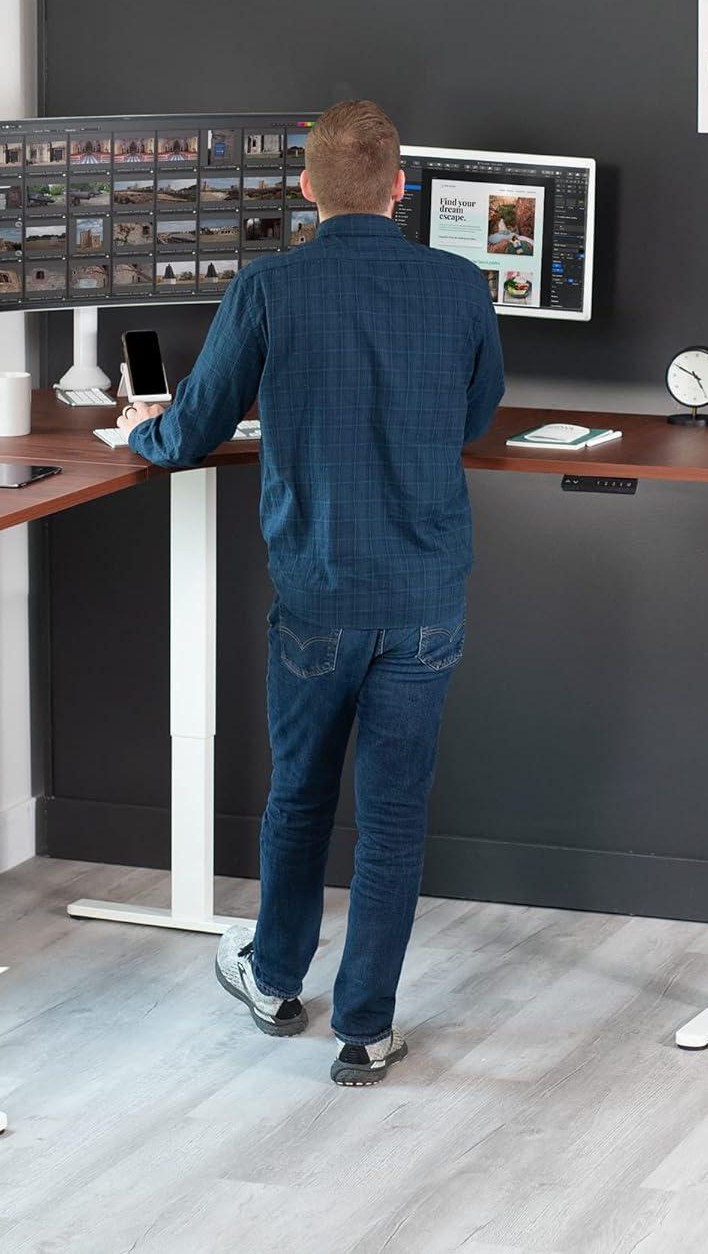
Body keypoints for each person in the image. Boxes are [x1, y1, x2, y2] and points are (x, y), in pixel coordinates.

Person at [119, 100, 504, 1085]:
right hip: (423, 596)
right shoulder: (461, 285)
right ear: (399, 186)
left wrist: (141, 432)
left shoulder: (267, 289)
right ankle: (365, 1030)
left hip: (318, 593)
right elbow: (473, 411)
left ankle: (279, 980)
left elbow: (195, 428)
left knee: (298, 800)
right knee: (393, 820)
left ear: (305, 188)